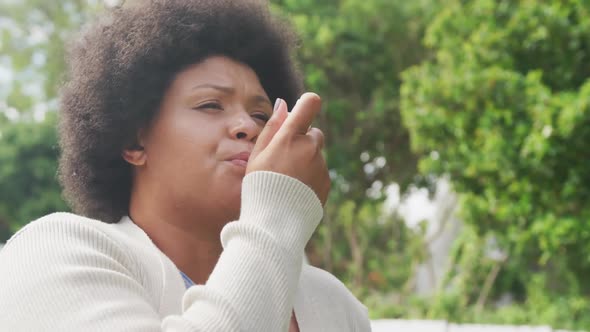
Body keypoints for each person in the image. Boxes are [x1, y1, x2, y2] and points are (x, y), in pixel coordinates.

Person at [0, 0, 371, 331]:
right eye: (210, 105)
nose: (249, 127)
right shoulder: (54, 255)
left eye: (261, 114)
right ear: (133, 140)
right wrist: (277, 213)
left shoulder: (332, 304)